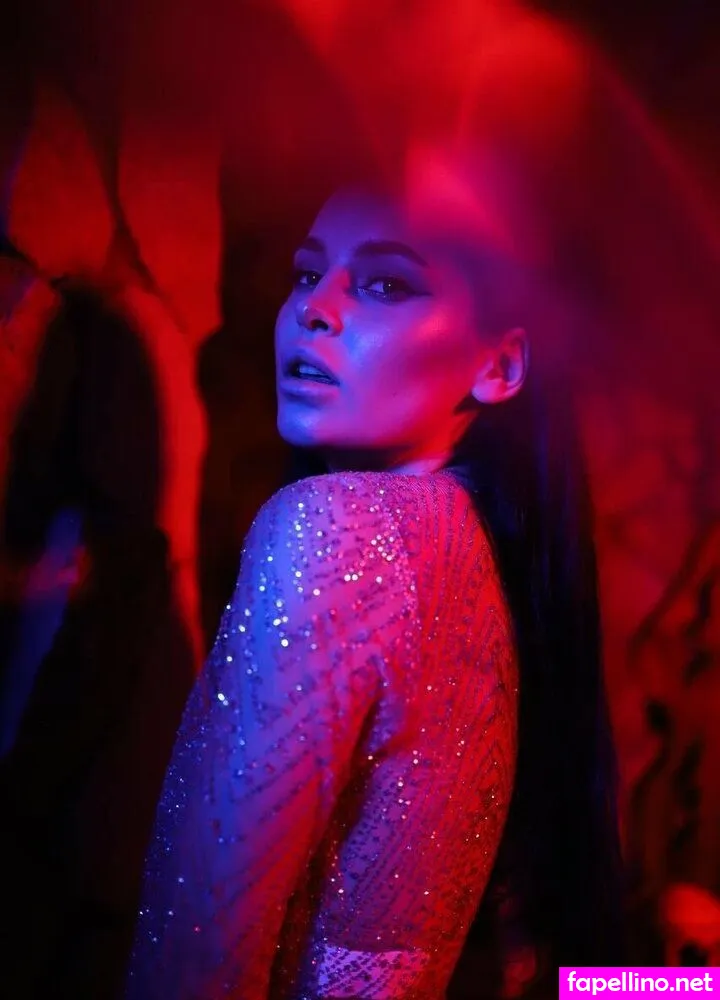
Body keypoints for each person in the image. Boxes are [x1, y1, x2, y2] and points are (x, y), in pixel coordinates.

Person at [125, 145, 625, 999]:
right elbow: (600, 979)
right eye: (306, 274)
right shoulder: (500, 566)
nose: (312, 310)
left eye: (387, 284)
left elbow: (194, 960)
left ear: (500, 366)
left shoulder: (336, 528)